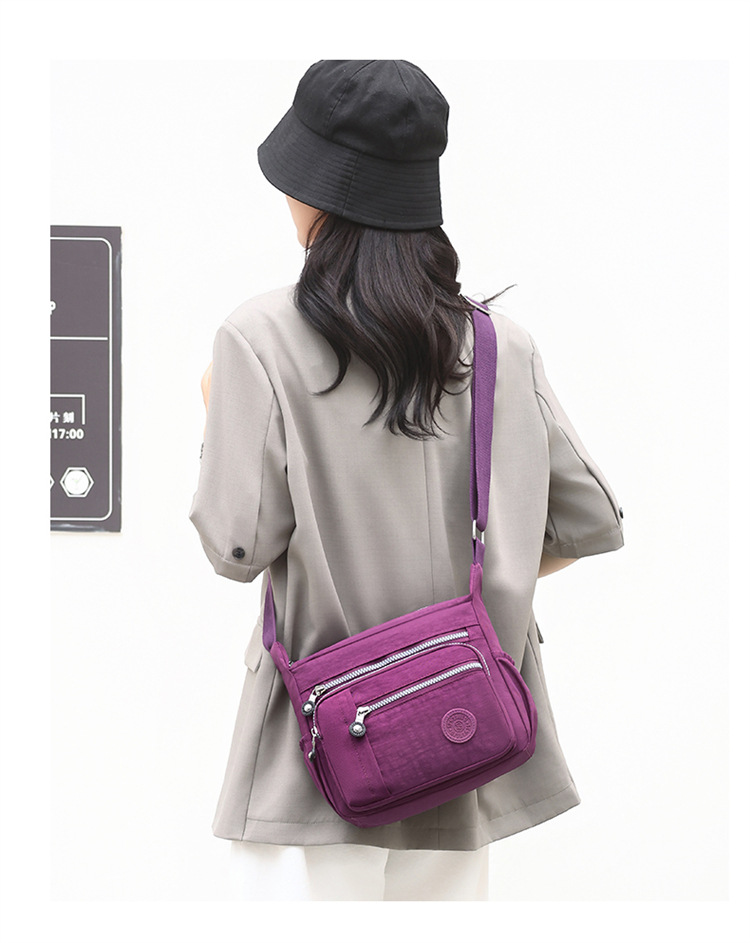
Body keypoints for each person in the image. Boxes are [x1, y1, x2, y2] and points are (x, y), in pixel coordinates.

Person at [189, 60, 625, 902]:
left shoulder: (257, 338)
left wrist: (217, 412)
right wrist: (478, 594)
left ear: (314, 190)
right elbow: (587, 523)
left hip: (314, 765)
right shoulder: (498, 344)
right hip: (460, 748)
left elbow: (236, 546)